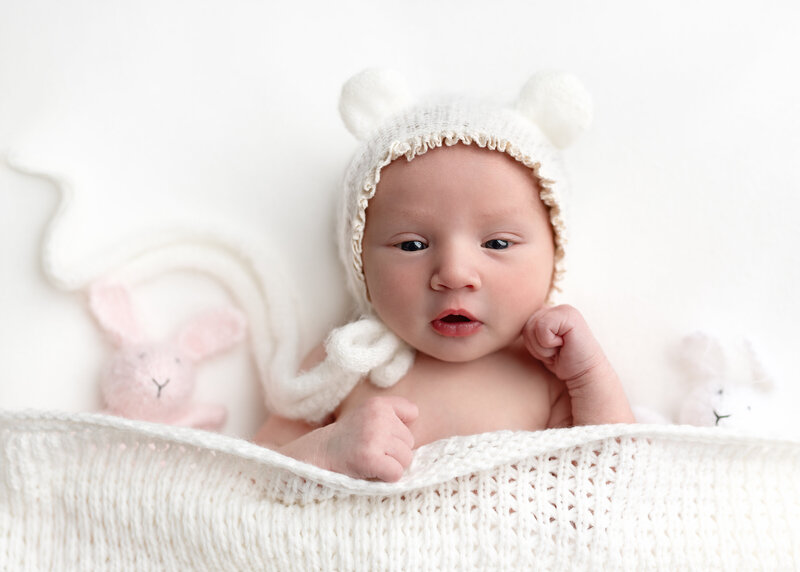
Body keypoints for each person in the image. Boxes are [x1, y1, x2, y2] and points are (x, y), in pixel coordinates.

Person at [254, 69, 635, 482]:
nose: (454, 274)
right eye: (413, 246)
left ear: (554, 255)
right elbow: (245, 480)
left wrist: (587, 375)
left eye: (498, 244)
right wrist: (326, 451)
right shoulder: (347, 361)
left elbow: (615, 486)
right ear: (361, 263)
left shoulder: (548, 371)